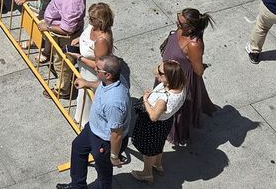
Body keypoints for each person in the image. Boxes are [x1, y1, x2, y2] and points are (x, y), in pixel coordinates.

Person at [55, 54, 132, 189]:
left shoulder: (114, 102)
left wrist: (114, 156)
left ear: (107, 75)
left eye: (98, 68)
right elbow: (101, 85)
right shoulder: (114, 80)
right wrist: (87, 83)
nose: (95, 69)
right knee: (78, 147)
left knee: (103, 174)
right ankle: (77, 186)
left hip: (105, 141)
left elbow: (116, 134)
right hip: (93, 129)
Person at [161, 8, 214, 147]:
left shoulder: (194, 44)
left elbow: (198, 71)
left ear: (191, 28)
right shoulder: (181, 30)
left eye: (181, 23)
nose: (177, 23)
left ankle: (178, 134)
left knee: (178, 110)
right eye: (178, 18)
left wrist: (202, 66)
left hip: (179, 80)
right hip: (168, 74)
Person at [128, 60, 187, 183]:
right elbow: (155, 71)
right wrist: (167, 65)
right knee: (158, 145)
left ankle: (147, 173)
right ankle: (158, 164)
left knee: (149, 150)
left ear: (168, 77)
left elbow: (154, 116)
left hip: (152, 125)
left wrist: (145, 100)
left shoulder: (164, 98)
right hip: (165, 123)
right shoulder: (180, 85)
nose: (157, 74)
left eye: (161, 74)